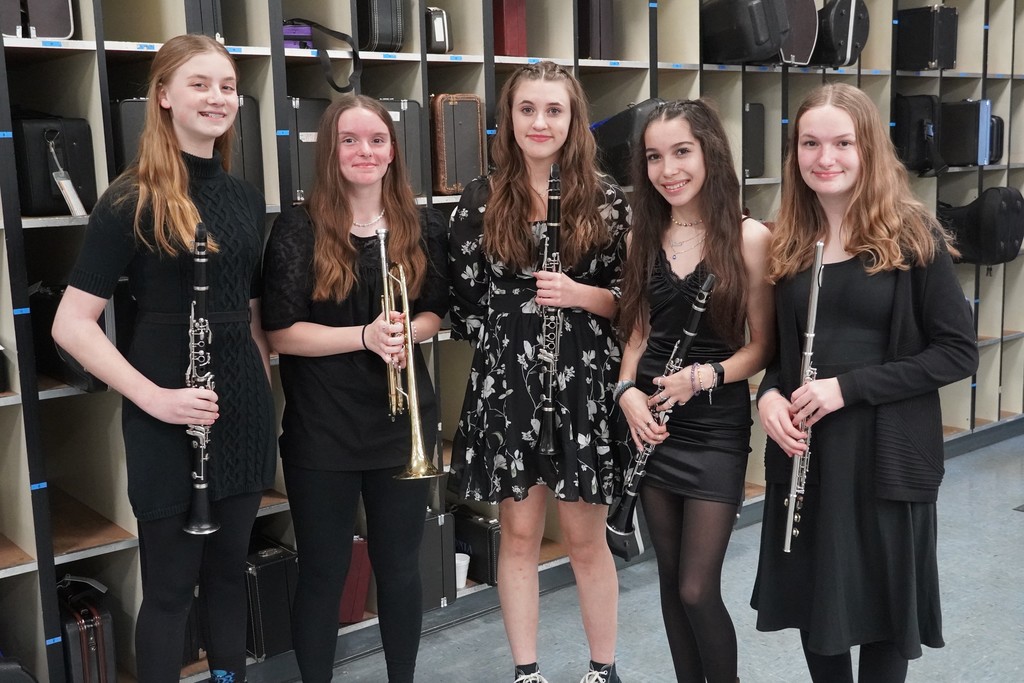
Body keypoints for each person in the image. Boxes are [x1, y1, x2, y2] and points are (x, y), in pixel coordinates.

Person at [51, 35, 276, 683]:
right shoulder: (130, 197)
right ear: (164, 96)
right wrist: (154, 397)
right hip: (164, 410)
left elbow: (252, 311)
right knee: (172, 590)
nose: (217, 97)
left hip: (238, 409)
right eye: (200, 83)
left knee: (229, 574)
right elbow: (72, 323)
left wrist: (258, 385)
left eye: (228, 85)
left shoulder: (240, 195)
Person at [750, 83, 979, 683]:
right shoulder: (792, 244)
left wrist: (846, 389)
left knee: (883, 617)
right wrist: (768, 397)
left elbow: (957, 353)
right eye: (810, 143)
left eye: (842, 143)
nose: (826, 158)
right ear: (794, 152)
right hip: (811, 459)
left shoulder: (912, 236)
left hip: (886, 458)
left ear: (869, 148)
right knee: (813, 607)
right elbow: (781, 360)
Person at [447, 61, 630, 683]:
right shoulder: (480, 197)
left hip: (583, 387)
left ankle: (601, 669)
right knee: (519, 537)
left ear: (573, 119)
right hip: (509, 387)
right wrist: (517, 326)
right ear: (510, 117)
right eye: (528, 109)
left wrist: (579, 295)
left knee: (586, 541)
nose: (540, 122)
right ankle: (526, 672)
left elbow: (632, 306)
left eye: (554, 110)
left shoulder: (605, 198)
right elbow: (467, 303)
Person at [260, 94, 449, 683]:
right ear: (329, 150)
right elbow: (281, 333)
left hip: (401, 423)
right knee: (324, 569)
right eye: (349, 140)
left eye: (376, 140)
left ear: (393, 151)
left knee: (399, 570)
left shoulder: (419, 225)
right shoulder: (299, 225)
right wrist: (364, 337)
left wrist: (406, 331)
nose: (364, 151)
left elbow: (436, 312)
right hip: (323, 428)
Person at [614, 99, 774, 683]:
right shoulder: (644, 231)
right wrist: (626, 390)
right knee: (669, 585)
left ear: (709, 151)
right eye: (654, 157)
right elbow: (636, 327)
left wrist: (705, 376)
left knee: (697, 587)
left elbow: (763, 347)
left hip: (715, 427)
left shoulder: (751, 237)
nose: (668, 169)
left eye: (681, 152)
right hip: (652, 421)